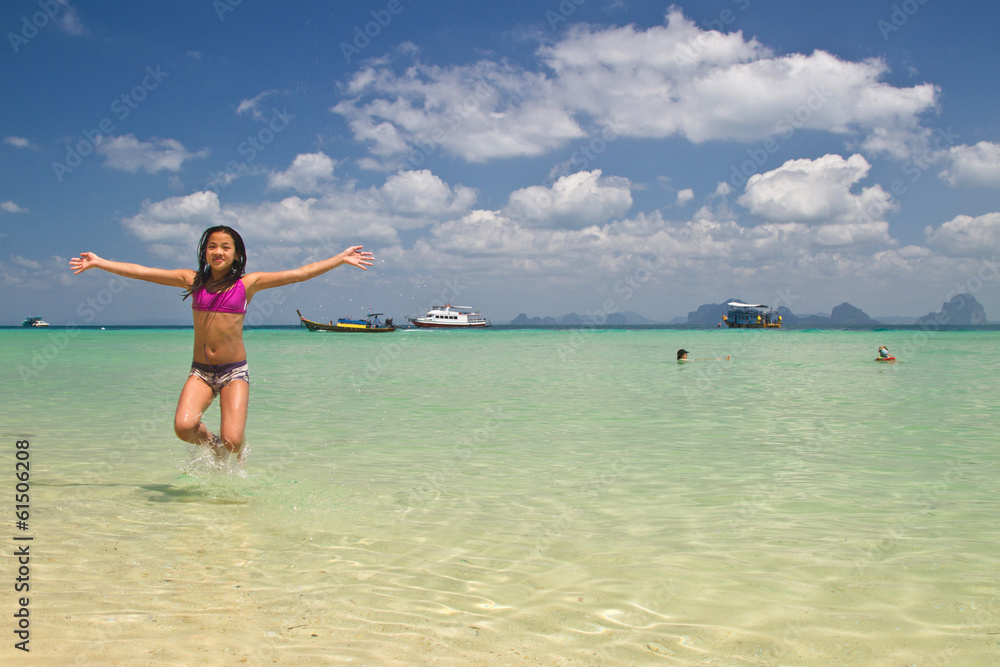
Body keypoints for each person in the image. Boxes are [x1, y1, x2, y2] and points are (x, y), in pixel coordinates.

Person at [70, 225, 374, 460]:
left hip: (233, 372)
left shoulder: (247, 284)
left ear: (236, 254)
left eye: (225, 247)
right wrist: (99, 263)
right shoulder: (192, 280)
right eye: (212, 246)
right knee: (184, 427)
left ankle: (230, 452)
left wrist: (339, 259)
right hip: (200, 371)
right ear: (205, 252)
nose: (218, 252)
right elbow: (143, 272)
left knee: (234, 441)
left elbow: (297, 274)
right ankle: (213, 447)